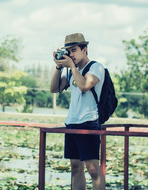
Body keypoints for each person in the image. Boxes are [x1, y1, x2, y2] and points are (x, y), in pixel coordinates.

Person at [50, 33, 106, 190]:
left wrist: (73, 67)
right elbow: (55, 88)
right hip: (72, 122)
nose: (71, 55)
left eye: (73, 50)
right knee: (75, 168)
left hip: (88, 122)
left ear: (85, 49)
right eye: (68, 51)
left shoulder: (96, 67)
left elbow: (84, 86)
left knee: (93, 170)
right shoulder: (70, 71)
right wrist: (58, 66)